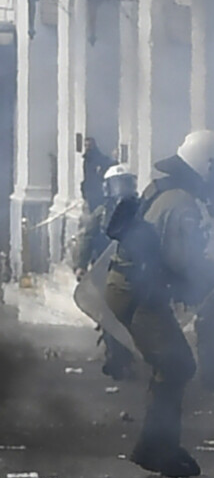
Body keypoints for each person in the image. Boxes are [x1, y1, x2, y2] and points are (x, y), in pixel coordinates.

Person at [100, 131, 214, 478]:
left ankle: (159, 446)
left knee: (174, 364)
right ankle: (156, 448)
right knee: (177, 365)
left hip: (131, 286)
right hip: (138, 292)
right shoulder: (182, 203)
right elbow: (181, 261)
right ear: (206, 167)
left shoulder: (165, 190)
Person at [75, 163, 141, 381]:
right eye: (117, 184)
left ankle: (130, 356)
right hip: (105, 270)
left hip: (135, 270)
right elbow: (85, 238)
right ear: (108, 187)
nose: (121, 188)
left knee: (133, 317)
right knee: (109, 318)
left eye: (125, 183)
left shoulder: (141, 210)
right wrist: (80, 265)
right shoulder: (102, 213)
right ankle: (115, 359)